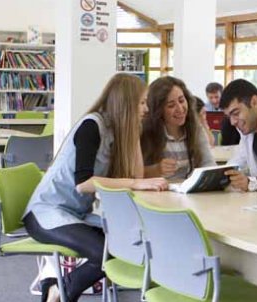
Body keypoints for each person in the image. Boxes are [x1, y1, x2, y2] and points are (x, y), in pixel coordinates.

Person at [22, 73, 168, 302]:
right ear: (126, 104)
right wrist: (135, 183)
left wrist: (134, 133)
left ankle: (56, 287)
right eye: (141, 102)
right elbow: (84, 184)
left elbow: (136, 174)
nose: (146, 108)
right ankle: (59, 290)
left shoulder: (115, 131)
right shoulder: (91, 125)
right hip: (45, 213)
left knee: (126, 243)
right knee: (105, 252)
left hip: (74, 215)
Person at [141, 76, 216, 179]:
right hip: (158, 192)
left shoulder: (195, 129)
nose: (180, 109)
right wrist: (156, 170)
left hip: (189, 192)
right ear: (158, 110)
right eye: (171, 105)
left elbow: (208, 164)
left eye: (181, 101)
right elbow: (133, 174)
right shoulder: (145, 133)